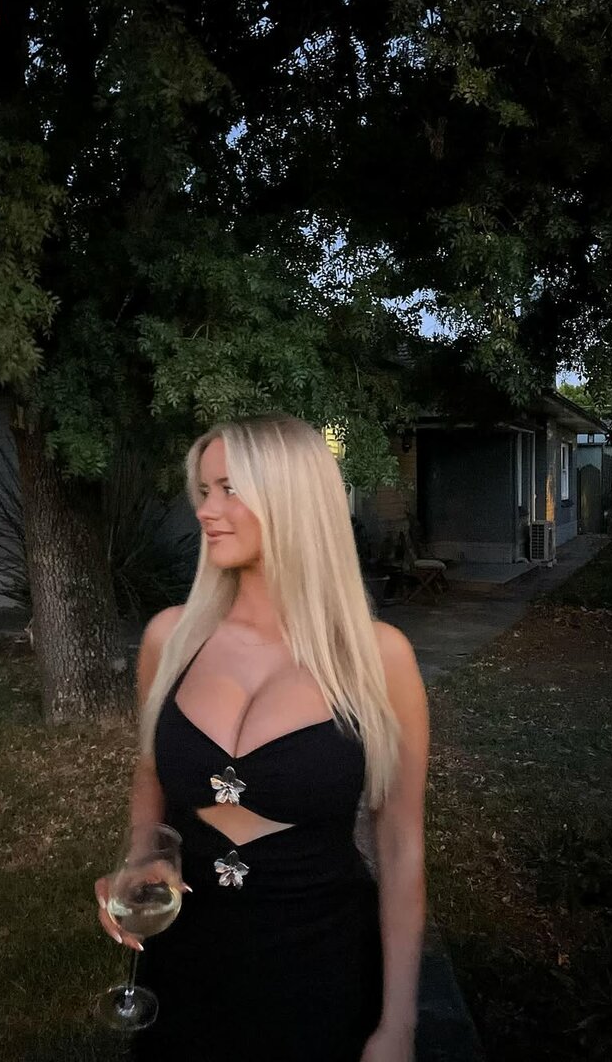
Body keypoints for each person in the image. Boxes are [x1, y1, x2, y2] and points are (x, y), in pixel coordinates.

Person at [96, 413, 429, 1062]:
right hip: (186, 964)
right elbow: (150, 772)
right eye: (203, 491)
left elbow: (400, 846)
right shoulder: (170, 639)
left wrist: (399, 1026)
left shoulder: (378, 658)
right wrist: (142, 859)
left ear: (292, 499)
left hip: (322, 965)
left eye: (229, 489)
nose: (205, 510)